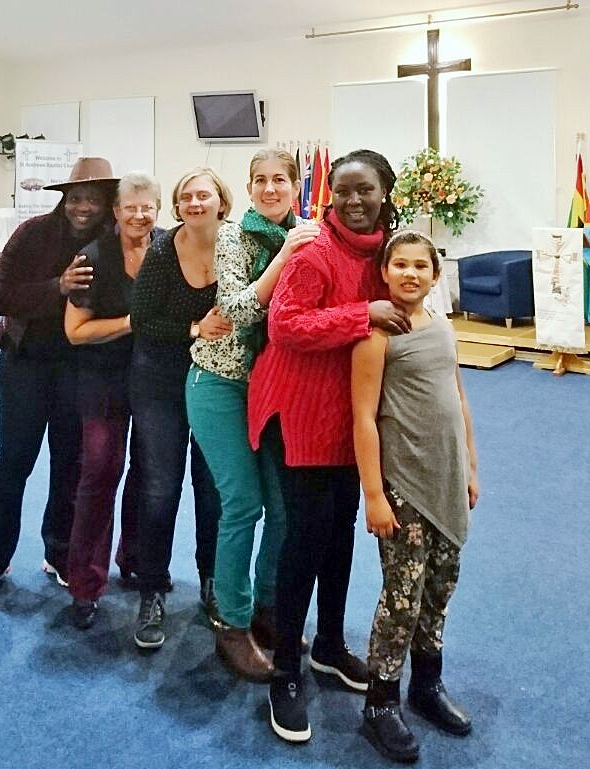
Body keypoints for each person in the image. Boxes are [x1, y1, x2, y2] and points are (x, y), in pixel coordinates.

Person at [247, 149, 411, 742]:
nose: (352, 201)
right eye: (342, 191)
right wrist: (362, 312)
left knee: (341, 534)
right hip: (301, 413)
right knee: (305, 540)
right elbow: (285, 325)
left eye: (364, 189)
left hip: (351, 418)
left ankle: (330, 645)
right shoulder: (315, 251)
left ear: (385, 191)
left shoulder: (389, 252)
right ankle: (286, 670)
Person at [186, 149, 320, 680]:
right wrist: (286, 256)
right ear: (248, 188)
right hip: (218, 386)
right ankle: (232, 624)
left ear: (296, 186)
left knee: (283, 507)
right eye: (260, 181)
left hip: (272, 389)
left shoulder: (307, 232)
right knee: (242, 505)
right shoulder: (235, 237)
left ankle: (268, 608)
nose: (270, 189)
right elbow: (237, 310)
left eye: (280, 180)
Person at [0, 157, 118, 607]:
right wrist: (59, 287)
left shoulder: (111, 242)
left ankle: (59, 552)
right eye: (76, 197)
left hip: (80, 369)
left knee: (69, 464)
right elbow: (0, 294)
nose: (83, 207)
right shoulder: (32, 232)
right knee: (14, 461)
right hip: (25, 364)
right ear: (64, 199)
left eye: (93, 198)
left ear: (107, 203)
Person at [352, 229, 479, 763]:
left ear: (434, 273)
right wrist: (374, 494)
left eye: (420, 266)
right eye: (399, 264)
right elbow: (362, 416)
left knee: (440, 585)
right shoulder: (378, 332)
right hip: (404, 482)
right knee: (402, 594)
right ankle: (380, 702)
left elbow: (457, 394)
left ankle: (426, 686)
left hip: (447, 475)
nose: (410, 274)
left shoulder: (443, 326)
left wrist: (470, 461)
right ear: (384, 272)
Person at [129, 167, 233, 649]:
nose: (195, 202)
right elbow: (143, 321)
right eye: (186, 196)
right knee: (159, 488)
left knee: (212, 489)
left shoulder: (238, 247)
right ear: (178, 206)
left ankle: (210, 582)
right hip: (160, 382)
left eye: (203, 194)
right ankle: (152, 588)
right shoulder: (161, 252)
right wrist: (194, 328)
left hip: (214, 386)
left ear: (221, 201)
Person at [64, 171, 163, 630]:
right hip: (102, 379)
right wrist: (131, 322)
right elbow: (76, 331)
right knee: (101, 472)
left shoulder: (168, 248)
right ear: (116, 211)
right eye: (131, 207)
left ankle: (136, 559)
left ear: (158, 209)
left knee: (148, 474)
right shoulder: (93, 257)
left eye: (148, 207)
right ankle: (84, 582)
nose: (140, 215)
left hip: (156, 381)